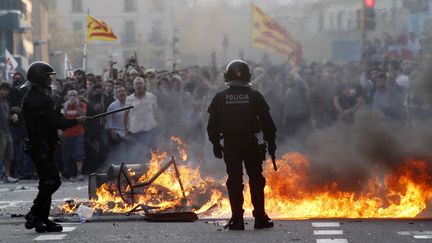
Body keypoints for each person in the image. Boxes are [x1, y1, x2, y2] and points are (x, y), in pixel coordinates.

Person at [207, 60, 277, 230]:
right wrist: (271, 143)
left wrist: (216, 144)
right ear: (248, 76)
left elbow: (211, 126)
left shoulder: (220, 98)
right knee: (256, 180)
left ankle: (237, 219)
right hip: (250, 143)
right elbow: (268, 124)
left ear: (227, 76)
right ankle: (260, 218)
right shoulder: (255, 96)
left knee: (235, 181)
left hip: (231, 144)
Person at [22, 61, 87, 233]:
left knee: (46, 183)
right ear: (40, 79)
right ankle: (34, 213)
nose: (50, 80)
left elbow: (51, 119)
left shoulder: (39, 96)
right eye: (48, 77)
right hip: (39, 146)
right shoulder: (35, 99)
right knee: (52, 181)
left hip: (44, 145)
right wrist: (75, 121)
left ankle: (42, 220)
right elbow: (52, 122)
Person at [62, 89, 87, 181]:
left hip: (78, 132)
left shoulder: (82, 105)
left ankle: (79, 173)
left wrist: (76, 106)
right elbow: (60, 118)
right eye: (70, 95)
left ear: (78, 97)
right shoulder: (63, 106)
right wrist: (65, 108)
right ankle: (71, 174)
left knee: (79, 154)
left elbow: (83, 115)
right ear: (67, 97)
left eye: (74, 95)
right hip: (67, 134)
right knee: (68, 155)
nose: (72, 97)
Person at [0, 82, 19, 183]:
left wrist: (13, 116)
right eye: (3, 89)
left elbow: (7, 116)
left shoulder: (7, 102)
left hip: (7, 130)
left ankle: (7, 175)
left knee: (9, 154)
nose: (4, 92)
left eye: (6, 90)